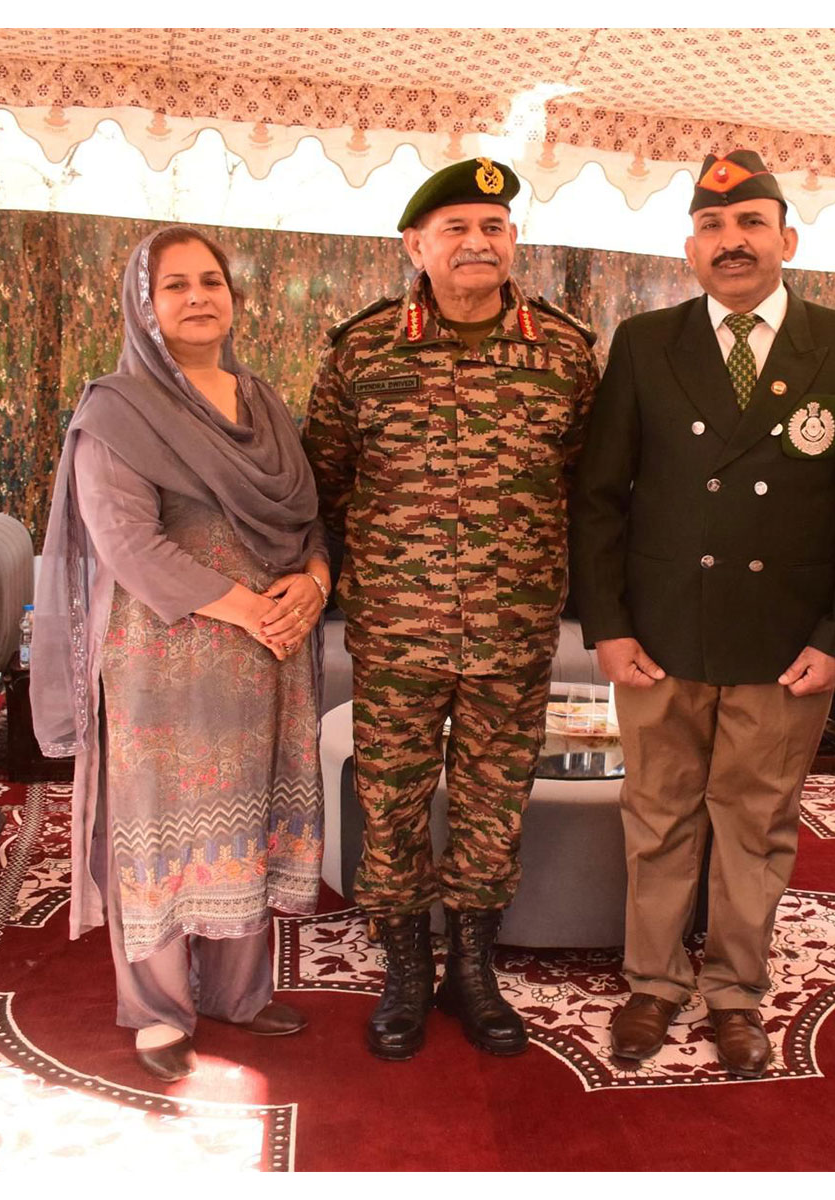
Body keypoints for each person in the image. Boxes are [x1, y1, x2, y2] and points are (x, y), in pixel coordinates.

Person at [569, 150, 835, 1077]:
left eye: (751, 222)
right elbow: (600, 498)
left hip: (784, 643)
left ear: (787, 239)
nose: (732, 241)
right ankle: (652, 984)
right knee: (658, 816)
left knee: (755, 824)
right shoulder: (646, 342)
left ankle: (734, 992)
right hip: (661, 636)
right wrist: (608, 625)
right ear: (689, 250)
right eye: (712, 227)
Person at [303, 158, 599, 1060]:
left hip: (514, 631)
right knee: (389, 802)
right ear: (415, 245)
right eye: (456, 229)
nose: (477, 243)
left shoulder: (564, 353)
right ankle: (403, 970)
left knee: (493, 806)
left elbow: (586, 483)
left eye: (494, 227)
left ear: (514, 241)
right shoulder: (363, 350)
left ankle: (471, 970)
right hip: (398, 632)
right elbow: (324, 481)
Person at [30, 225, 332, 1082]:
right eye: (175, 285)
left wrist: (313, 582)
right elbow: (127, 543)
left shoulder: (261, 401)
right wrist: (254, 610)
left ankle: (239, 992)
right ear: (144, 305)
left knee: (250, 818)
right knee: (159, 828)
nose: (198, 296)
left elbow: (308, 515)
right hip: (168, 658)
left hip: (268, 653)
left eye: (211, 281)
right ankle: (159, 1011)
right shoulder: (117, 411)